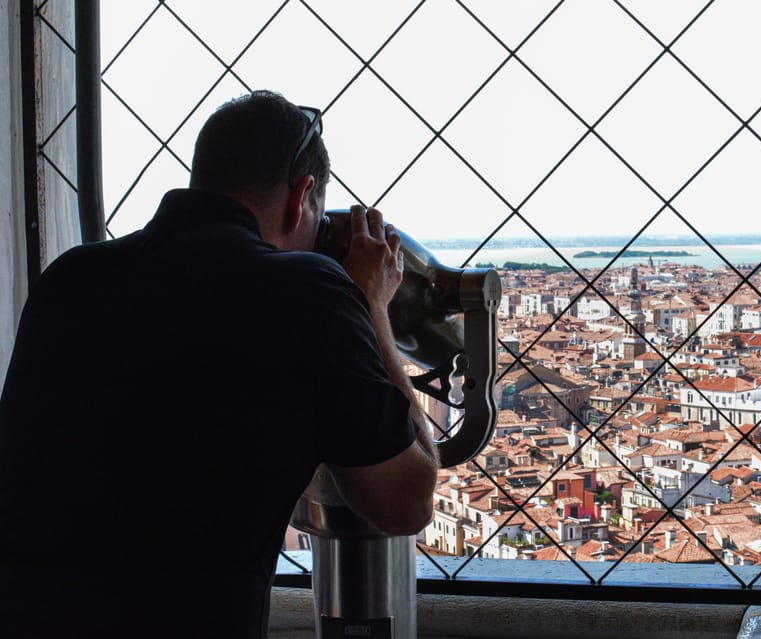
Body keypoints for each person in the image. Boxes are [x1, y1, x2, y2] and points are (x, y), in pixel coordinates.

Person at [0, 90, 439, 638]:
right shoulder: (309, 295)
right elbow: (407, 501)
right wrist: (369, 301)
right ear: (302, 195)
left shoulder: (69, 278)